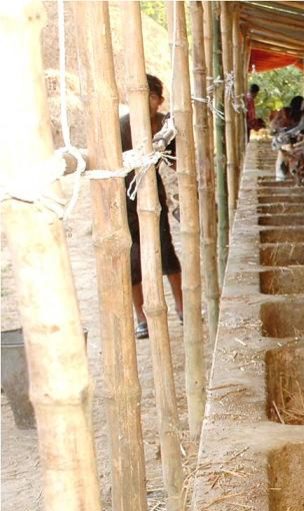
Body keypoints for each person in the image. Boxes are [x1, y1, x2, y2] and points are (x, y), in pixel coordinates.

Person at [120, 73, 183, 340]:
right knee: (132, 260)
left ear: (159, 100)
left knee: (166, 252)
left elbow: (176, 162)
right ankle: (142, 317)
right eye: (141, 96)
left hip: (153, 195)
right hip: (125, 197)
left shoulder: (165, 125)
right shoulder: (123, 127)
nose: (146, 102)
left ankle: (181, 307)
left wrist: (183, 194)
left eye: (152, 96)